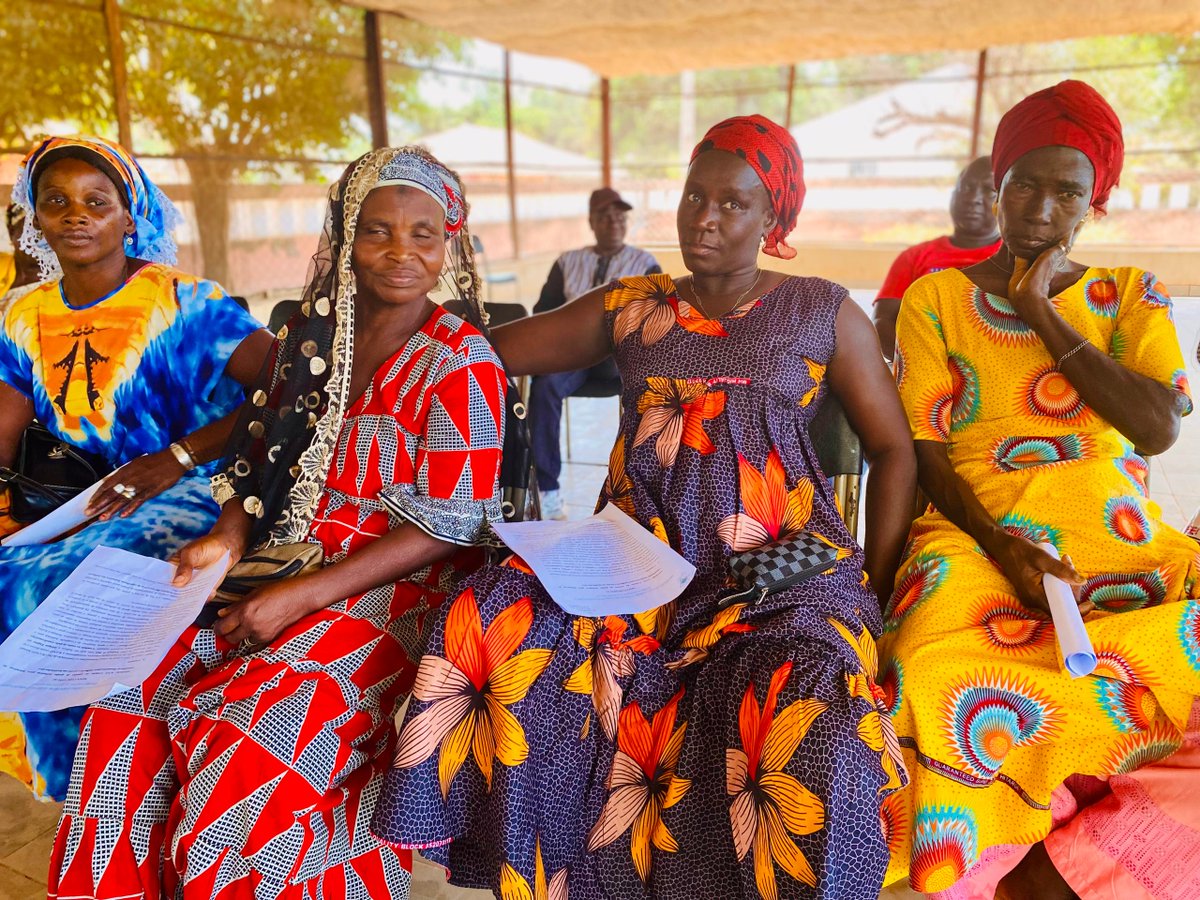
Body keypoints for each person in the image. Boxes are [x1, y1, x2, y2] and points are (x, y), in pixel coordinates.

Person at [372, 115, 917, 899]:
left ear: (774, 218)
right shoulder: (632, 305)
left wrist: (878, 589)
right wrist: (409, 291)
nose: (705, 218)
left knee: (809, 711)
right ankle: (548, 875)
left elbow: (893, 449)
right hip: (632, 561)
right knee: (494, 614)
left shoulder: (821, 310)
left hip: (776, 573)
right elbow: (498, 348)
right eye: (696, 196)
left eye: (734, 204)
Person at [49, 146, 507, 899]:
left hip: (396, 588)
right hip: (280, 562)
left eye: (423, 234)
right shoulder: (308, 345)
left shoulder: (461, 365)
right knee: (124, 696)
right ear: (345, 240)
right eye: (378, 231)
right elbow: (257, 460)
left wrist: (303, 597)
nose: (400, 252)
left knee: (243, 751)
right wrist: (228, 537)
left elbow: (446, 527)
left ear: (449, 244)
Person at [879, 80, 1200, 899]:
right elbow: (928, 455)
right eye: (1026, 182)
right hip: (978, 527)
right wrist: (1006, 549)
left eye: (1068, 193)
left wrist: (1042, 311)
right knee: (929, 666)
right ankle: (987, 857)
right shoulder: (936, 297)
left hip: (1112, 525)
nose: (1041, 207)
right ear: (998, 181)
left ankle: (1096, 842)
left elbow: (1160, 426)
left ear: (1094, 206)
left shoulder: (1129, 293)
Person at [0, 136, 271, 801]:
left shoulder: (187, 304)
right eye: (56, 201)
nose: (76, 216)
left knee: (57, 591)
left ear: (131, 215)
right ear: (35, 218)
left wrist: (174, 456)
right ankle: (78, 789)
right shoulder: (24, 315)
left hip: (200, 487)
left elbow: (288, 394)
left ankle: (112, 784)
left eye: (98, 201)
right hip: (86, 497)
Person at [531, 187, 661, 519]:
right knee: (544, 386)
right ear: (591, 221)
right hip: (573, 357)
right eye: (604, 216)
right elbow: (543, 311)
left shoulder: (644, 263)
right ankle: (547, 491)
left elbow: (657, 321)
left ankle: (636, 495)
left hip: (620, 361)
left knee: (651, 394)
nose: (614, 222)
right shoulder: (568, 261)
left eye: (619, 216)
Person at [873, 157, 1002, 361]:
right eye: (966, 188)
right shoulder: (914, 257)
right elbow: (883, 321)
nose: (973, 198)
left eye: (989, 190)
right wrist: (923, 364)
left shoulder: (1013, 258)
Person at [0, 203, 40, 310]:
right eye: (31, 230)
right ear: (11, 231)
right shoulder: (2, 266)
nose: (40, 238)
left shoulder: (68, 283)